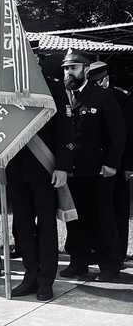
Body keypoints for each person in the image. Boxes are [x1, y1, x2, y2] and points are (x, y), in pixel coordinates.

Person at [7, 40, 68, 301]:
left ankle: (46, 280)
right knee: (22, 225)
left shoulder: (52, 87)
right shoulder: (6, 89)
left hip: (44, 168)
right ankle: (30, 276)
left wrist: (63, 166)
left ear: (36, 58)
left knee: (45, 225)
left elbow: (65, 129)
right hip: (15, 168)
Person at [58, 49, 125, 282]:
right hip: (73, 170)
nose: (69, 72)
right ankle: (78, 263)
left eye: (73, 68)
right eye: (66, 68)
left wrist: (111, 164)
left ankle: (109, 265)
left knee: (102, 218)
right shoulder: (62, 96)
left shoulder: (102, 96)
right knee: (75, 219)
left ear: (86, 70)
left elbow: (118, 134)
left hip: (98, 170)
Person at [87, 61, 133, 269]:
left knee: (119, 212)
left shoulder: (123, 98)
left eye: (99, 80)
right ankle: (100, 251)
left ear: (105, 78)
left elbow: (129, 135)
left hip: (120, 164)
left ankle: (118, 255)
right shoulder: (89, 97)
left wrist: (129, 166)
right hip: (98, 164)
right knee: (101, 211)